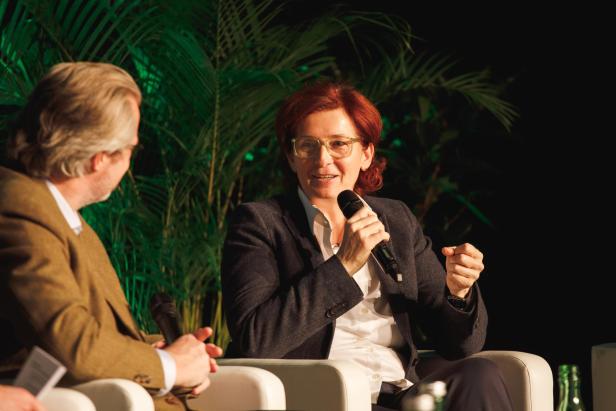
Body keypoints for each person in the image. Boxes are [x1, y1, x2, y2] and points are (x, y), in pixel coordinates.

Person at [222, 82, 513, 410]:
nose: (323, 160)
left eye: (339, 145)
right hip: (323, 394)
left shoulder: (395, 219)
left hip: (401, 393)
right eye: (308, 145)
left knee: (480, 372)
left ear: (366, 154)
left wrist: (458, 293)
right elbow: (255, 340)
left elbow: (462, 345)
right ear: (291, 157)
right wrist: (343, 265)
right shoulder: (261, 223)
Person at [0, 62, 222, 411]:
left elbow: (99, 336)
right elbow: (70, 343)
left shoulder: (65, 218)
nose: (131, 161)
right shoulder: (19, 207)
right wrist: (171, 367)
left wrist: (171, 353)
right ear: (99, 160)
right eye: (131, 148)